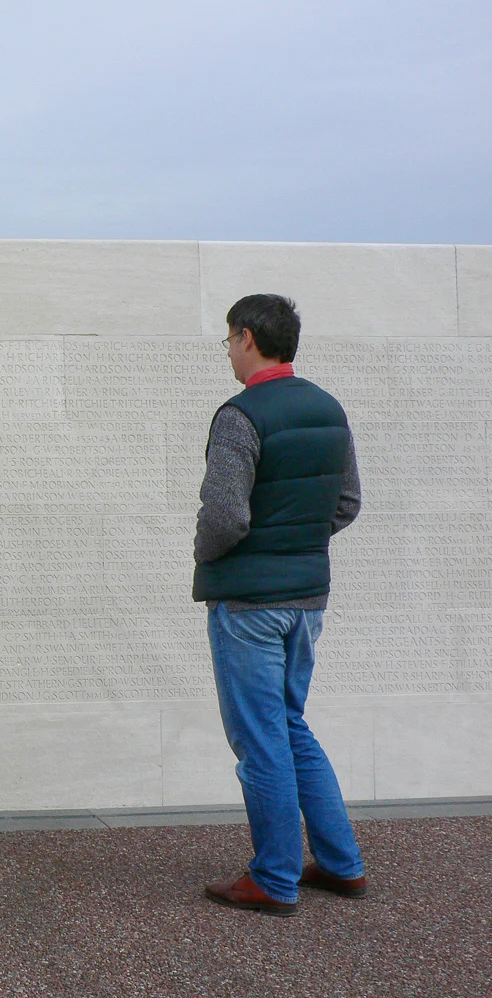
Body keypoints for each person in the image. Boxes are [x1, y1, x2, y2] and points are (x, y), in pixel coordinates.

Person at [194, 293, 368, 916]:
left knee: (261, 740)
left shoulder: (241, 415)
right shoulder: (328, 408)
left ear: (246, 337)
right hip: (309, 597)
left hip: (248, 601)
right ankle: (342, 865)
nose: (229, 353)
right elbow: (345, 503)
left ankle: (272, 878)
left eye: (228, 341)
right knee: (290, 726)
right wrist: (297, 542)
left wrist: (207, 555)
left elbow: (223, 517)